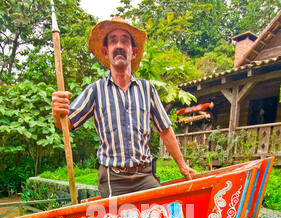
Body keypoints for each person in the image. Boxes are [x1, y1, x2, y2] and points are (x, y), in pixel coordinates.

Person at [52, 17, 196, 198]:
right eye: (113, 41)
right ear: (106, 51)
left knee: (160, 217)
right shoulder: (96, 90)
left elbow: (165, 130)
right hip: (114, 179)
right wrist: (57, 111)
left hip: (144, 175)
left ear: (133, 51)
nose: (119, 45)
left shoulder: (147, 89)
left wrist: (183, 166)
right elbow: (66, 123)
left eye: (124, 41)